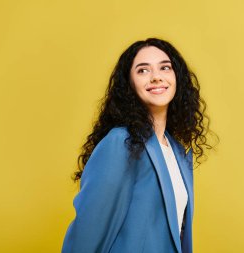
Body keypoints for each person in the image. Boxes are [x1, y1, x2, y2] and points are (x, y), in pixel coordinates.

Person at [62, 38, 216, 253]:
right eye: (143, 71)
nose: (156, 77)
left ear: (177, 77)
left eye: (165, 67)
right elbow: (88, 231)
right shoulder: (121, 142)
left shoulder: (177, 151)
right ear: (129, 85)